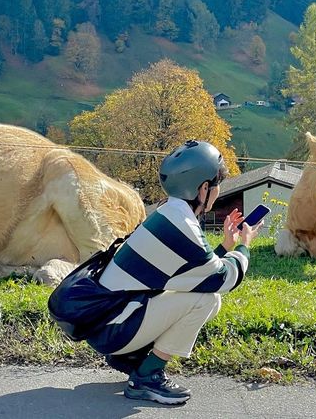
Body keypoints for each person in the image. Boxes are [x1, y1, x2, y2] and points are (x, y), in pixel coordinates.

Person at [85, 139, 260, 406]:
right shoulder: (183, 225)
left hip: (110, 323)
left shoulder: (169, 213)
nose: (218, 191)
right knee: (207, 299)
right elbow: (222, 280)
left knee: (198, 294)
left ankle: (132, 357)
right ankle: (147, 375)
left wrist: (226, 246)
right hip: (116, 330)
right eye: (216, 185)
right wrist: (245, 247)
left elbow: (193, 273)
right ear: (203, 188)